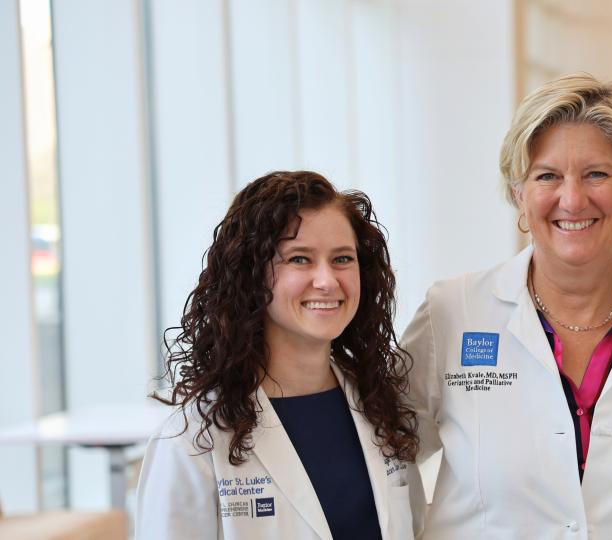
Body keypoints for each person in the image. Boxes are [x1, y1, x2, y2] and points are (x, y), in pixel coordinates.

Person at [401, 73, 612, 538]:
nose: (572, 199)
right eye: (547, 176)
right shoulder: (453, 312)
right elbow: (384, 458)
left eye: (597, 174)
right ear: (519, 194)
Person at [136, 171, 424, 539]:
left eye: (342, 259)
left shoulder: (382, 407)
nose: (327, 281)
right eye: (300, 259)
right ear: (252, 276)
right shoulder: (191, 439)